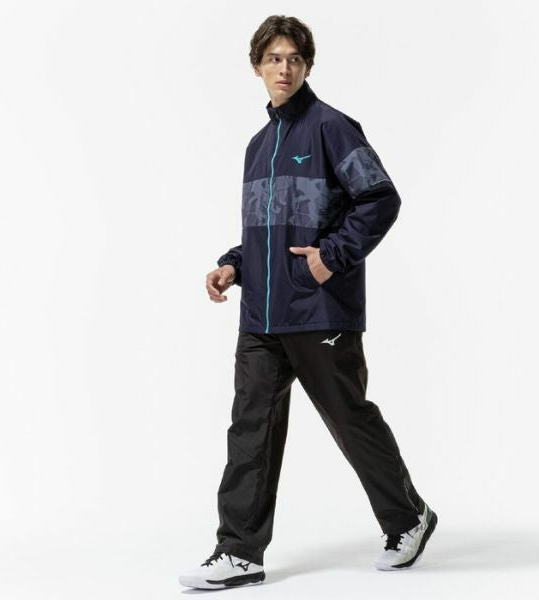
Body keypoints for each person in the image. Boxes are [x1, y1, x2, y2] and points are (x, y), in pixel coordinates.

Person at [179, 15, 438, 591]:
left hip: (319, 308)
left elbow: (380, 197)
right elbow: (265, 232)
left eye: (294, 58)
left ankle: (409, 518)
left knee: (348, 418)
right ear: (257, 67)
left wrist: (332, 256)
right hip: (261, 316)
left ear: (307, 66)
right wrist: (234, 264)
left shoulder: (332, 128)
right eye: (274, 58)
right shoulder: (258, 146)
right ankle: (239, 551)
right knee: (250, 429)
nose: (284, 68)